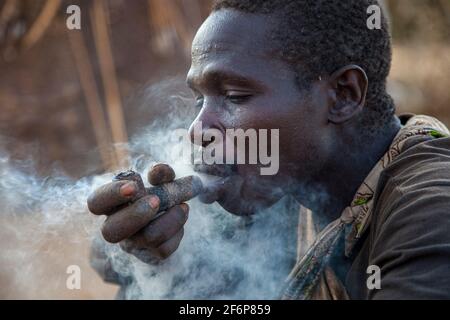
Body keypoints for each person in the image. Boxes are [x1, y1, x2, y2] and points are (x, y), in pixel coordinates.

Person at [87, 0, 450, 299]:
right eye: (199, 99)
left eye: (234, 97)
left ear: (343, 95)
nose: (197, 131)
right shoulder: (281, 195)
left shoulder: (432, 210)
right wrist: (156, 264)